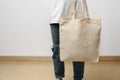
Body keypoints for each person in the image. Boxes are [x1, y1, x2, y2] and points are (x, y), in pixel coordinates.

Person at [50, 0, 85, 80]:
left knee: (77, 50)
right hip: (56, 16)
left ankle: (78, 78)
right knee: (57, 48)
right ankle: (59, 77)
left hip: (77, 16)